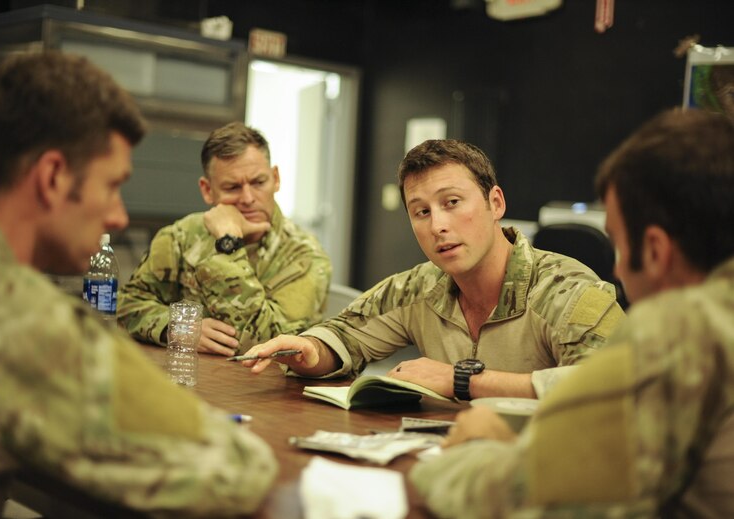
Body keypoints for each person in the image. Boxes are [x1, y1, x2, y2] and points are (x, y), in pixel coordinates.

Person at [0, 52, 276, 518]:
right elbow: (234, 472)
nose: (118, 215)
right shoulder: (12, 312)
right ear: (52, 178)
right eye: (111, 185)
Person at [410, 108, 734, 518]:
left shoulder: (683, 329)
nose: (616, 270)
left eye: (617, 244)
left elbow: (537, 501)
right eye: (421, 211)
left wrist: (478, 448)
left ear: (654, 250)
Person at [239, 139, 624, 400]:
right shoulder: (420, 286)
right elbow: (344, 336)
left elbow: (615, 383)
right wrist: (309, 350)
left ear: (495, 202)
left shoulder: (565, 289)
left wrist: (462, 381)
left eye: (452, 202)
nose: (437, 225)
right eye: (421, 211)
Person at [117, 122, 332, 356]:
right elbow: (127, 305)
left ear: (276, 178)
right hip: (188, 377)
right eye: (232, 187)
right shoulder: (181, 237)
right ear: (207, 190)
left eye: (259, 182)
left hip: (269, 387)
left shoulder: (305, 254)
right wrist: (178, 328)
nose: (248, 198)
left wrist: (228, 244)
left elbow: (265, 342)